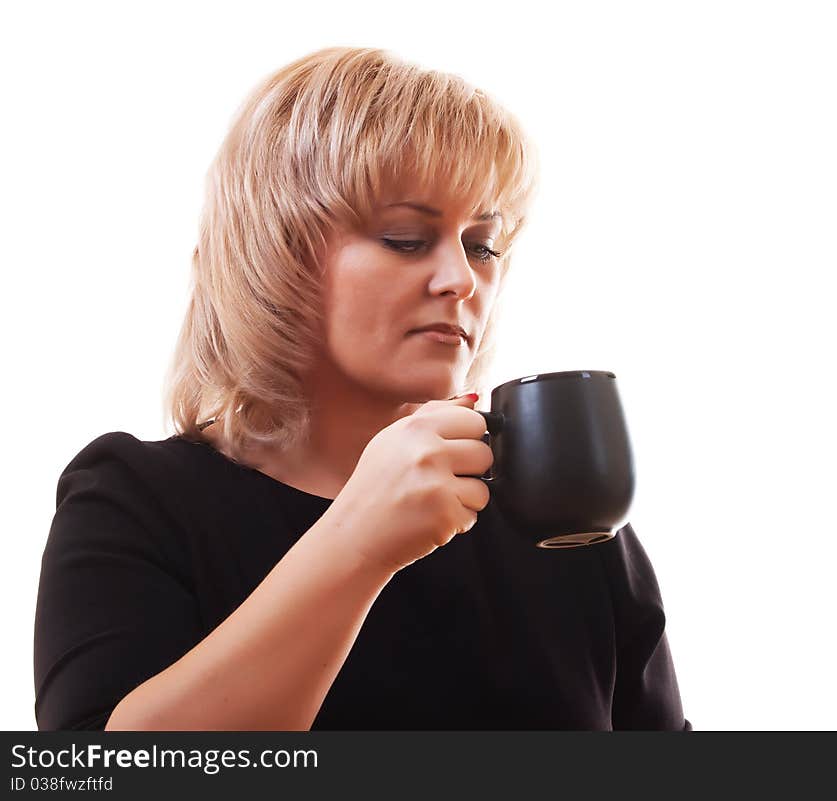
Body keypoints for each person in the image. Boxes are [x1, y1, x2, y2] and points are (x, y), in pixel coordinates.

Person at [33, 46, 691, 731]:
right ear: (276, 254)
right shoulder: (137, 501)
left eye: (481, 244)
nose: (462, 280)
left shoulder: (561, 517)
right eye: (406, 238)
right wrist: (358, 542)